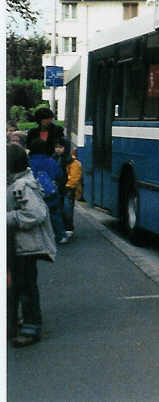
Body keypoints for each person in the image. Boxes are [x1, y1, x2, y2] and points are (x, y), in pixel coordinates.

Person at [7, 143, 57, 347]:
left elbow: (36, 213)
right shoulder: (14, 183)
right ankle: (16, 323)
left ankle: (31, 327)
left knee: (25, 287)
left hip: (26, 248)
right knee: (15, 287)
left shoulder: (23, 186)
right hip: (17, 247)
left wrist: (8, 218)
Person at [27, 140, 66, 245]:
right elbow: (59, 175)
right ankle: (61, 235)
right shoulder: (51, 161)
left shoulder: (29, 161)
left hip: (34, 193)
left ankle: (38, 238)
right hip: (51, 192)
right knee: (54, 214)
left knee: (35, 215)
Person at [63, 145, 82, 239]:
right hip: (63, 188)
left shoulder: (74, 163)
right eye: (56, 147)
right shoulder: (57, 158)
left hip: (69, 188)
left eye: (61, 147)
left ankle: (68, 228)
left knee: (67, 208)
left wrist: (68, 186)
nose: (58, 149)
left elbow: (74, 178)